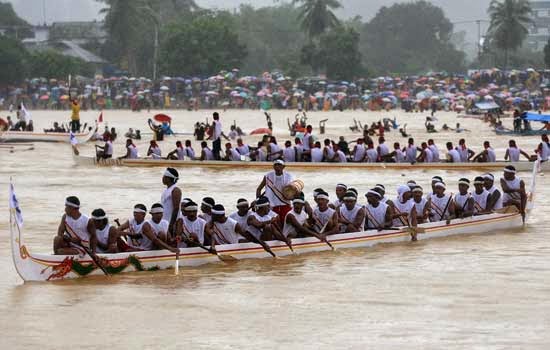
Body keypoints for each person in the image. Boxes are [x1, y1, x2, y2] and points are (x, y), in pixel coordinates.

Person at [256, 160, 294, 226]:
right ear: (273, 167)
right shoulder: (268, 176)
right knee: (274, 225)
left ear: (283, 167)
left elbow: (293, 190)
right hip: (271, 206)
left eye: (279, 165)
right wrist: (259, 202)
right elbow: (259, 189)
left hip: (285, 204)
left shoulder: (289, 176)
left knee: (286, 224)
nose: (277, 166)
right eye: (275, 165)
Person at [161, 167, 182, 234]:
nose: (162, 178)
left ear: (168, 178)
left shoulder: (175, 190)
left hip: (170, 223)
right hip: (164, 221)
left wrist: (171, 224)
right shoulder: (166, 190)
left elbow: (176, 208)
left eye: (164, 176)